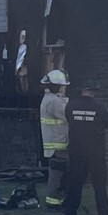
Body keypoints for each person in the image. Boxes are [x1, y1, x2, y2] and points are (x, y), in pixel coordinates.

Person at [60, 85, 108, 215]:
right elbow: (106, 123)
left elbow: (69, 120)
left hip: (77, 149)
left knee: (75, 181)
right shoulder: (99, 107)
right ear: (92, 92)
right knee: (99, 183)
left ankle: (71, 214)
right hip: (96, 150)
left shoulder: (71, 106)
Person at [39, 70, 70, 207]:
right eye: (63, 86)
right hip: (59, 146)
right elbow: (68, 114)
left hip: (55, 145)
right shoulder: (54, 102)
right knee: (58, 176)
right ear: (58, 86)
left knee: (58, 175)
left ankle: (56, 201)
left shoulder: (49, 99)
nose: (65, 88)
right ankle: (53, 203)